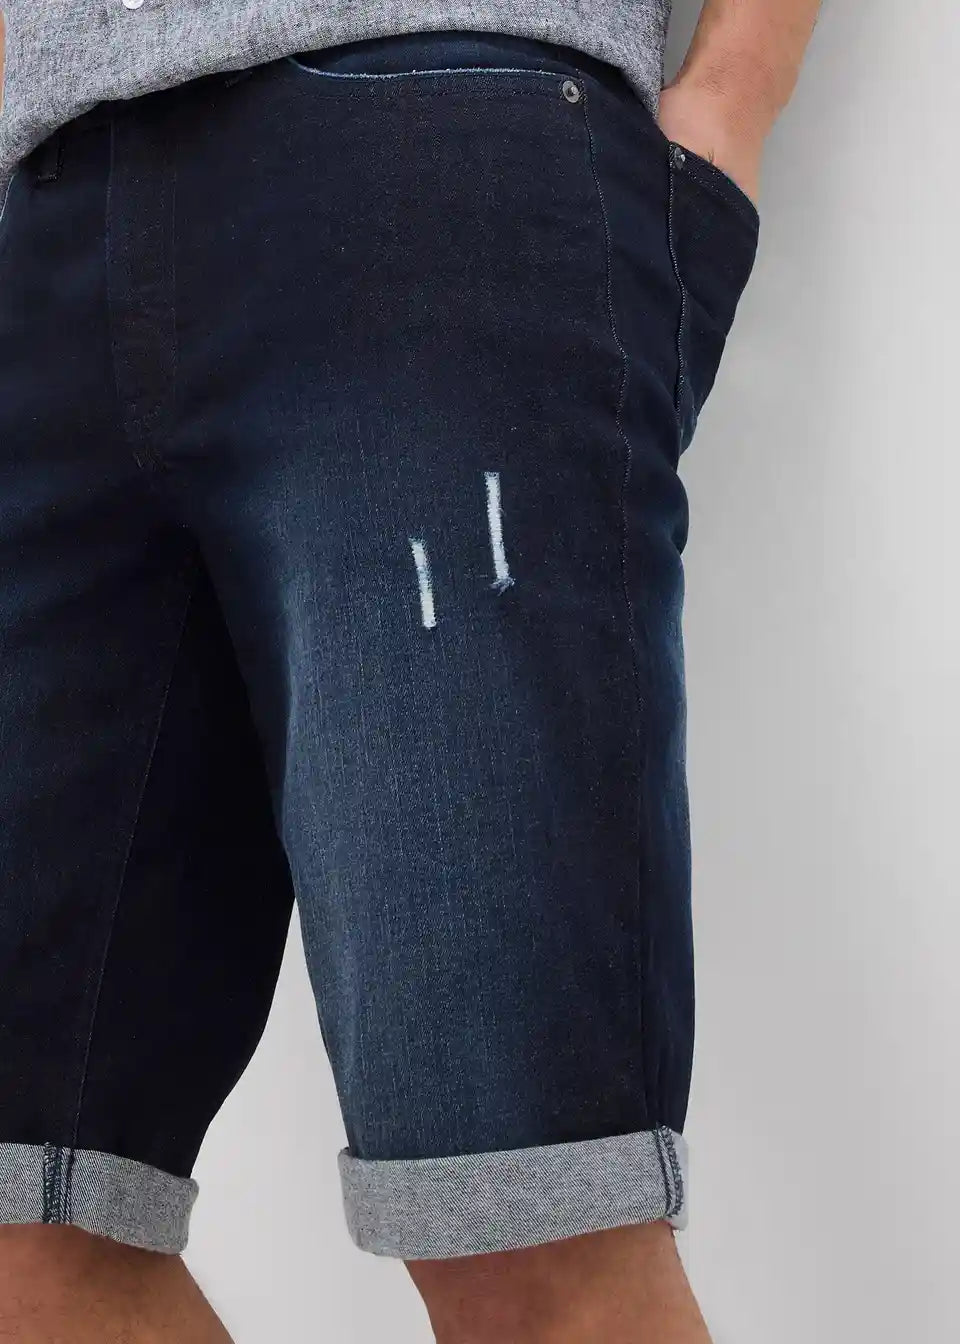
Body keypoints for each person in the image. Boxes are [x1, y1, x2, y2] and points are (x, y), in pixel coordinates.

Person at [0, 2, 818, 1340]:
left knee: (524, 1225)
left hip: (438, 153)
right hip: (47, 201)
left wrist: (735, 95)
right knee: (25, 1231)